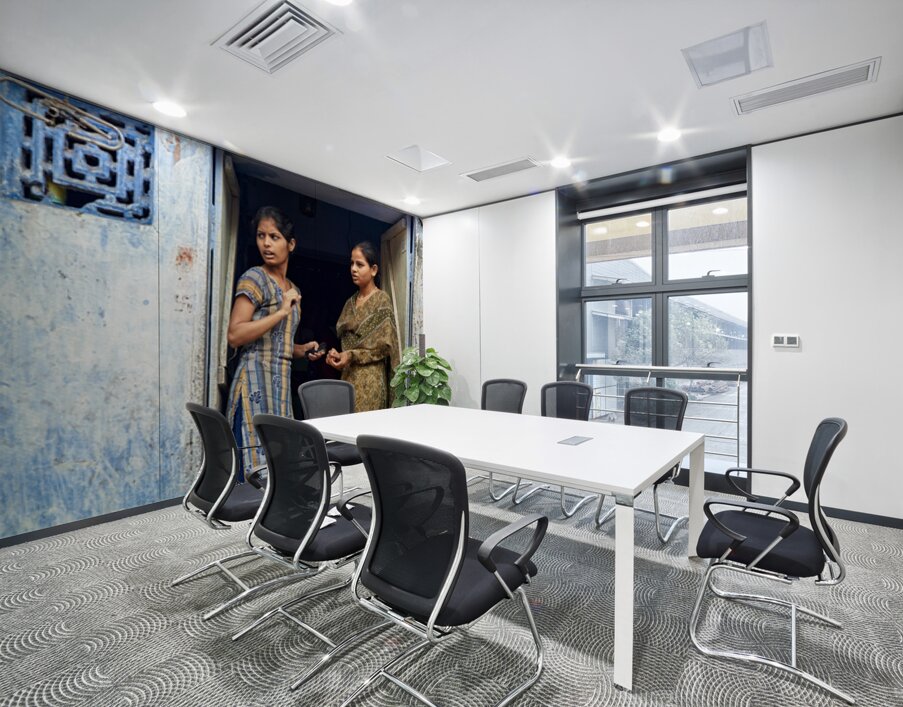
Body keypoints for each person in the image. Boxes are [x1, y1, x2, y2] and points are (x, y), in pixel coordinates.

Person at [225, 206, 319, 479]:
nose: (266, 243)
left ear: (291, 244)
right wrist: (280, 312)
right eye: (261, 236)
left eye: (274, 237)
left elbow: (277, 342)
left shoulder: (293, 290)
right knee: (252, 468)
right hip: (254, 384)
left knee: (280, 465)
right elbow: (235, 335)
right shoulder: (255, 278)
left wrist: (302, 350)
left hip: (279, 390)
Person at [314, 242, 400, 412]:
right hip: (347, 378)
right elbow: (346, 345)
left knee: (366, 426)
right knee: (346, 423)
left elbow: (384, 348)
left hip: (371, 380)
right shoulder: (349, 304)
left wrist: (352, 355)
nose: (353, 269)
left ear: (373, 270)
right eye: (352, 263)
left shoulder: (381, 300)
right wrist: (337, 357)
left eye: (360, 264)